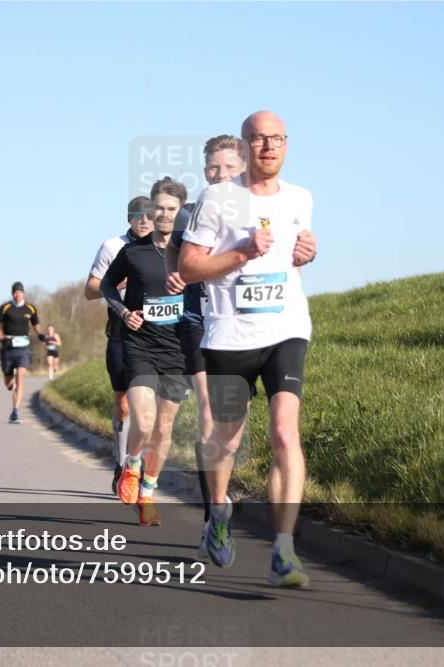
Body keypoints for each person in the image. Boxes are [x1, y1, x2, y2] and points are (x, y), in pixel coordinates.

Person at [180, 111, 318, 588]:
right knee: (228, 440)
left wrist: (305, 256)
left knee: (285, 432)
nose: (268, 147)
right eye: (258, 139)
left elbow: (292, 266)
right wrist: (241, 252)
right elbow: (191, 267)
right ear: (244, 146)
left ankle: (285, 549)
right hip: (229, 337)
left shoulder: (302, 199)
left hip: (286, 330)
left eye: (277, 138)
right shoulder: (216, 199)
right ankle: (219, 514)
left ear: (287, 144)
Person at [164, 135, 247, 542]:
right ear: (204, 171)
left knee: (232, 420)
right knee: (209, 411)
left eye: (228, 168)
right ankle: (212, 514)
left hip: (245, 325)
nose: (220, 175)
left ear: (242, 169)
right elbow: (174, 253)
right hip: (199, 321)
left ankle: (221, 490)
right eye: (213, 168)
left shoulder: (258, 210)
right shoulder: (190, 213)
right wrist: (175, 275)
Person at [101, 177, 189, 526]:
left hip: (176, 348)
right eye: (159, 208)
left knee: (165, 430)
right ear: (150, 210)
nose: (164, 215)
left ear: (179, 212)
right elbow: (107, 284)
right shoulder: (132, 251)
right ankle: (132, 465)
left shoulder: (189, 252)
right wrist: (123, 312)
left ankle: (148, 494)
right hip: (139, 344)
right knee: (145, 420)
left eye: (171, 209)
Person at [85, 197, 153, 493]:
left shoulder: (165, 247)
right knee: (124, 404)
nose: (145, 221)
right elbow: (91, 289)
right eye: (138, 216)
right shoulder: (112, 246)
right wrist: (124, 281)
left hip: (155, 335)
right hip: (121, 331)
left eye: (150, 215)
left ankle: (140, 466)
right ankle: (122, 461)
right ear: (129, 219)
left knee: (151, 406)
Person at [0, 281, 46, 424]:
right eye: (15, 292)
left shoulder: (30, 308)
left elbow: (35, 324)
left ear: (23, 293)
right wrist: (2, 338)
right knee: (9, 383)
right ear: (12, 293)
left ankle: (15, 412)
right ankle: (12, 387)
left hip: (23, 348)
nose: (17, 294)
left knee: (21, 375)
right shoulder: (5, 308)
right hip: (8, 348)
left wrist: (40, 334)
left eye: (20, 292)